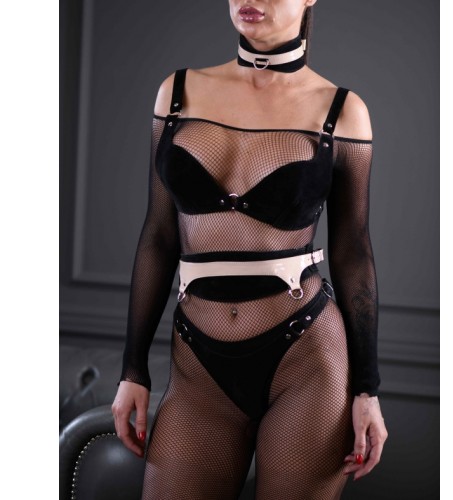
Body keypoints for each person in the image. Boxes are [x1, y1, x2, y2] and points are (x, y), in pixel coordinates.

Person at [112, 1, 388, 498]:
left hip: (306, 360)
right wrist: (133, 370)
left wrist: (367, 389)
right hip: (197, 365)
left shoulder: (342, 110)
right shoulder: (177, 92)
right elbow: (158, 235)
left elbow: (352, 251)